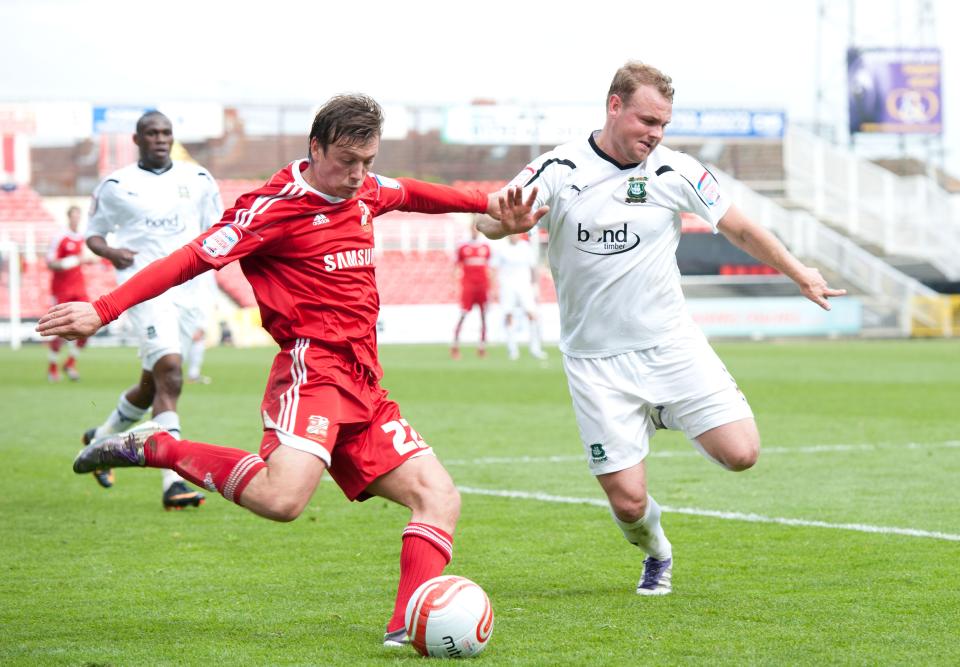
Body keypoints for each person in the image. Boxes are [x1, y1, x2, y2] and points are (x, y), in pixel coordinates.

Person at [37, 94, 517, 647]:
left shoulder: (364, 190)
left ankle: (406, 627)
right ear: (315, 148)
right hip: (312, 370)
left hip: (364, 378)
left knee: (439, 497)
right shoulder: (270, 207)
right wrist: (102, 310)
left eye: (367, 162)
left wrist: (490, 201)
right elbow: (191, 257)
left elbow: (412, 192)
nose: (359, 176)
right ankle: (158, 447)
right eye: (346, 161)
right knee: (282, 501)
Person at [477, 61, 846, 595]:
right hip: (596, 363)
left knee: (743, 453)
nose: (654, 134)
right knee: (628, 504)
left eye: (663, 125)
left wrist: (800, 274)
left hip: (672, 347)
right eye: (646, 120)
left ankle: (665, 409)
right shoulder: (558, 169)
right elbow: (487, 218)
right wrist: (500, 225)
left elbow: (740, 227)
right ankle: (658, 552)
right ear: (614, 106)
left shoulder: (676, 171)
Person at [80, 110, 223, 507]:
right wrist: (111, 251)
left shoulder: (197, 180)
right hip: (144, 289)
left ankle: (100, 441)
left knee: (151, 386)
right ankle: (173, 483)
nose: (160, 139)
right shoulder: (115, 185)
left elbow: (219, 228)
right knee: (172, 375)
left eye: (166, 133)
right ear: (137, 139)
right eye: (152, 133)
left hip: (191, 289)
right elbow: (93, 235)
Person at [45, 205, 95, 382]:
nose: (76, 219)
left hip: (79, 288)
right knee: (61, 328)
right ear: (68, 217)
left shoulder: (81, 238)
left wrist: (86, 261)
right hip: (62, 290)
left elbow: (81, 261)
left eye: (78, 216)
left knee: (91, 325)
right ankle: (52, 368)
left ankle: (70, 363)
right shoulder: (60, 237)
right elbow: (51, 263)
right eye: (74, 216)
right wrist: (75, 260)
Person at [492, 231, 547, 361]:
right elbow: (494, 268)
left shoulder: (526, 247)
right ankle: (512, 349)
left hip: (524, 285)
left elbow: (534, 269)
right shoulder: (501, 248)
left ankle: (535, 348)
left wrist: (535, 287)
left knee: (532, 314)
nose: (513, 235)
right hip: (507, 286)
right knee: (509, 315)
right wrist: (494, 288)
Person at [451, 222, 492, 359]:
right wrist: (455, 286)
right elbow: (456, 268)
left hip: (482, 286)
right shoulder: (463, 247)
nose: (474, 231)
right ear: (469, 230)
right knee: (463, 315)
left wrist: (492, 288)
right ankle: (455, 346)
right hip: (468, 286)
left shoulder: (485, 247)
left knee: (483, 316)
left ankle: (482, 347)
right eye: (472, 229)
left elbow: (490, 269)